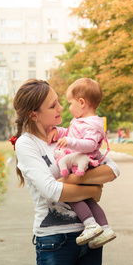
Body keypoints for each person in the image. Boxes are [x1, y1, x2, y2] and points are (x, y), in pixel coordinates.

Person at [10, 79, 120, 265]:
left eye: (59, 101)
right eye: (53, 106)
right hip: (55, 242)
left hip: (92, 238)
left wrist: (68, 183)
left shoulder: (71, 134)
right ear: (34, 114)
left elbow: (111, 169)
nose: (61, 108)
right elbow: (51, 192)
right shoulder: (27, 144)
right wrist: (93, 190)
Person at [47, 78, 116, 249]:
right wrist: (58, 131)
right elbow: (71, 132)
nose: (67, 108)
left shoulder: (92, 124)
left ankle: (91, 225)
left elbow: (90, 144)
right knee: (88, 199)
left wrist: (69, 142)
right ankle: (105, 228)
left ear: (82, 102)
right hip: (78, 162)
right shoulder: (81, 122)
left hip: (85, 163)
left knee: (72, 196)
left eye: (70, 103)